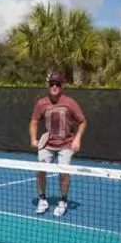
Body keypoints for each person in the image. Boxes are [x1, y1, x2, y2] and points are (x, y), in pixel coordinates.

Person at [29, 72, 86, 217]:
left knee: (64, 174)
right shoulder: (41, 103)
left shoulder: (70, 103)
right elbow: (34, 121)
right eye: (52, 84)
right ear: (49, 86)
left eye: (57, 84)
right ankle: (42, 199)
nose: (54, 86)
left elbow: (83, 121)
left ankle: (63, 201)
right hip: (47, 144)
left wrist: (77, 139)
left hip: (66, 144)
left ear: (61, 86)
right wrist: (33, 139)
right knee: (40, 171)